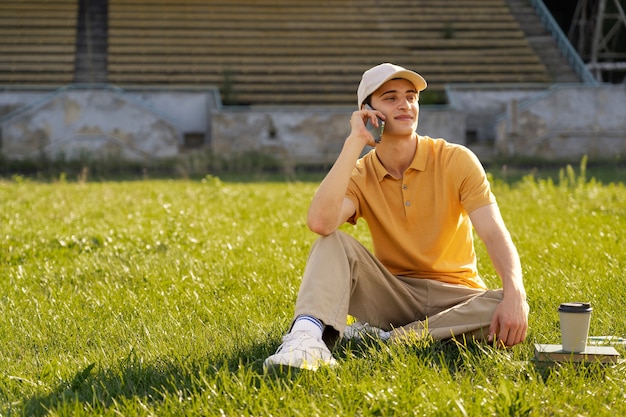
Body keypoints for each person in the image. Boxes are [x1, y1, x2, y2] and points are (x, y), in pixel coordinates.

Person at [264, 63, 529, 371]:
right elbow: (321, 223)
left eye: (411, 97)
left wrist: (515, 295)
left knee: (501, 304)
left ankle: (389, 338)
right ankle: (306, 340)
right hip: (394, 293)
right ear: (367, 111)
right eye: (391, 98)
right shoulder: (362, 173)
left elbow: (494, 233)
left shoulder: (456, 159)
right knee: (331, 242)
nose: (405, 104)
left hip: (457, 296)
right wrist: (355, 142)